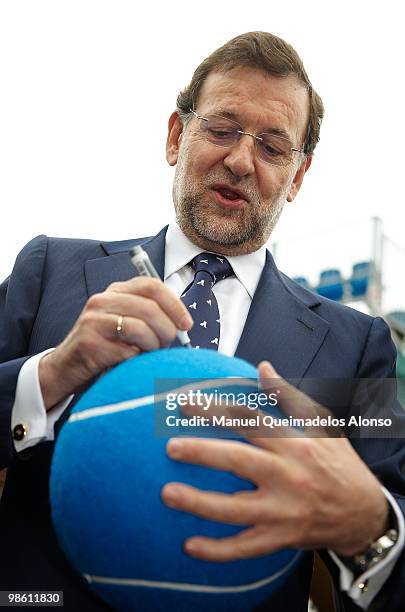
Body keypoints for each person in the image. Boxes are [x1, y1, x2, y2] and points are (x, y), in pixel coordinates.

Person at [0, 31, 404, 612]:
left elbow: (393, 533)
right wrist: (50, 375)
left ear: (297, 177)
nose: (240, 161)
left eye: (272, 147)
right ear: (175, 136)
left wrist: (367, 523)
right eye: (221, 129)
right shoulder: (51, 271)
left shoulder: (353, 344)